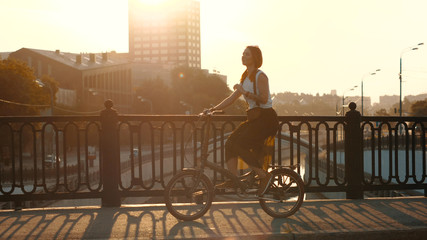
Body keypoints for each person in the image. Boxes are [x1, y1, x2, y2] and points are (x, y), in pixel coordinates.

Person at [210, 45, 279, 195]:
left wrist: (244, 91)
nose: (243, 56)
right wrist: (212, 109)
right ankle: (235, 180)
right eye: (243, 54)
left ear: (254, 57)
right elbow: (232, 98)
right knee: (230, 143)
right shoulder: (245, 76)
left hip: (266, 119)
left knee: (240, 144)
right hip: (255, 119)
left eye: (246, 54)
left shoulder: (261, 76)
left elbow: (264, 98)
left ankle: (263, 176)